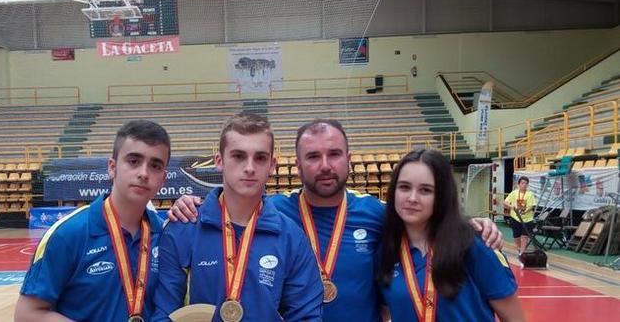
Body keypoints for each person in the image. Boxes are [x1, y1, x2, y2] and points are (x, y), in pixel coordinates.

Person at [168, 119, 503, 321]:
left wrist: (473, 225)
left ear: (349, 160)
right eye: (313, 156)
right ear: (296, 166)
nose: (325, 165)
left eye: (334, 154)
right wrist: (190, 204)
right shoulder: (275, 213)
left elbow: (426, 226)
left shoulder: (377, 214)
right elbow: (233, 211)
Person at [152, 113, 323, 321]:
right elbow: (164, 314)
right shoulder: (184, 228)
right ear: (219, 161)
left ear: (272, 165)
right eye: (238, 156)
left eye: (260, 158)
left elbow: (306, 316)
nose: (249, 167)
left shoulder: (292, 238)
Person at [15, 120, 170, 322]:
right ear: (112, 167)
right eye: (133, 161)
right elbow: (27, 314)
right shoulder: (68, 234)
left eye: (155, 165)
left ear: (163, 178)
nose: (143, 173)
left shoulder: (165, 235)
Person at [376, 149, 524, 322]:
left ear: (441, 196)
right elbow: (384, 312)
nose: (412, 198)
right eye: (404, 187)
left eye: (425, 190)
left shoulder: (474, 245)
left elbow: (515, 318)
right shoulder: (385, 251)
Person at [504, 176, 536, 255]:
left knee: (524, 236)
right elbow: (505, 202)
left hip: (527, 219)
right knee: (516, 236)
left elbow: (531, 206)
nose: (524, 185)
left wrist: (525, 211)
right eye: (522, 183)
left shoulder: (530, 194)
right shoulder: (514, 193)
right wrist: (512, 207)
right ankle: (519, 249)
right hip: (515, 218)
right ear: (519, 184)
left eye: (526, 183)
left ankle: (522, 253)